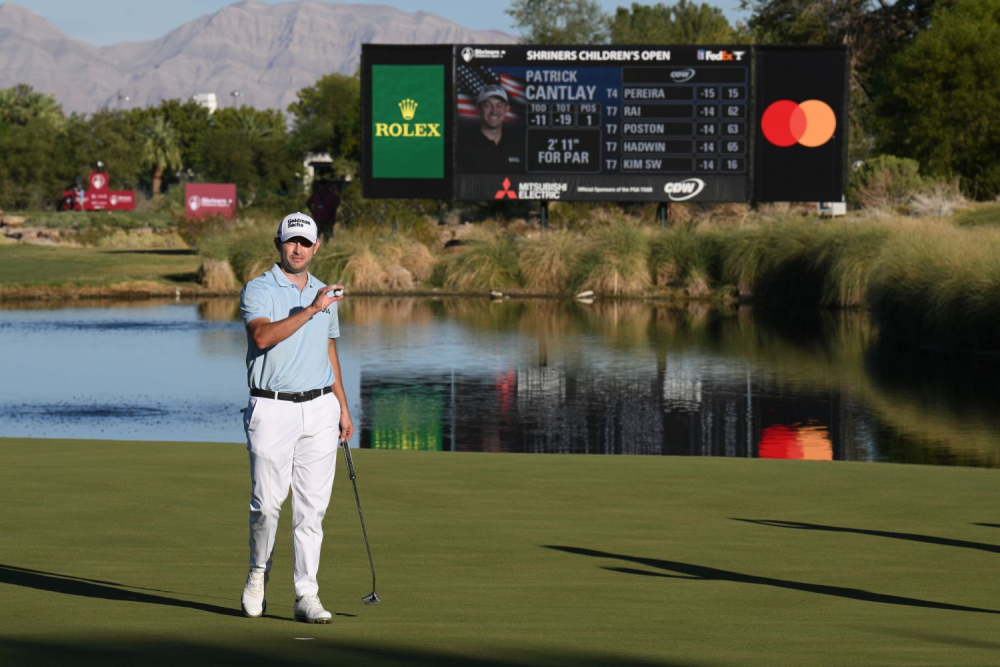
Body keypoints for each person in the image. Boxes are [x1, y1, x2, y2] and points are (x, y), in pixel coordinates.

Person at [238, 211, 353, 624]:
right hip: (271, 407)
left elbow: (328, 350)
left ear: (316, 246)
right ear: (278, 244)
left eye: (306, 242)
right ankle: (257, 575)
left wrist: (342, 405)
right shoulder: (259, 289)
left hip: (320, 408)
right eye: (292, 241)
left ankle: (307, 594)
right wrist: (312, 308)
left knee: (312, 510)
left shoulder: (326, 293)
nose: (299, 249)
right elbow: (262, 336)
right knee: (267, 506)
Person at [458, 85, 524, 174]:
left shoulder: (517, 146)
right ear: (478, 108)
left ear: (506, 109)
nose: (494, 111)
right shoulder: (464, 148)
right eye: (487, 105)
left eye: (499, 105)